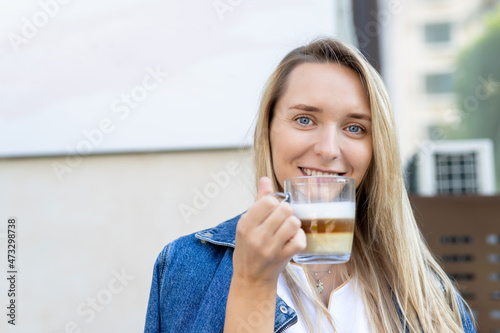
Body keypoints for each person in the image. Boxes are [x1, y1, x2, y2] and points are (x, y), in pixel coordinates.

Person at [144, 37, 476, 333]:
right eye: (305, 119)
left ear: (377, 149)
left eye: (355, 128)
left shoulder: (430, 296)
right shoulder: (187, 268)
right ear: (269, 129)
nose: (329, 149)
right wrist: (252, 282)